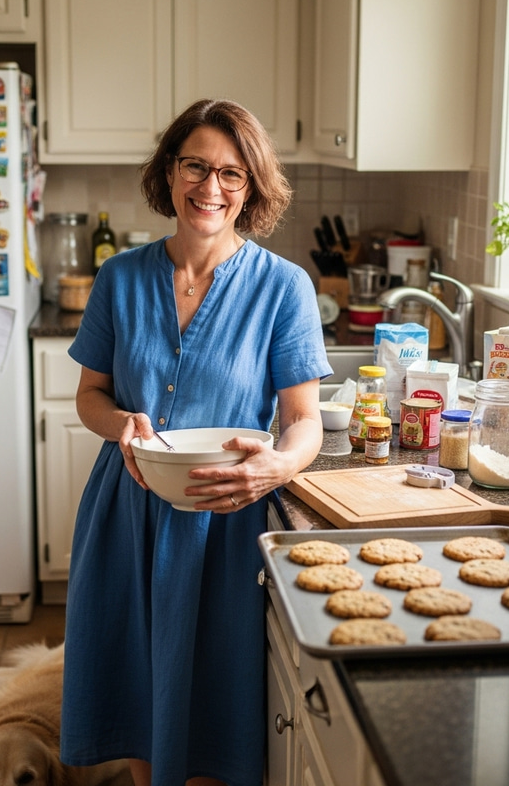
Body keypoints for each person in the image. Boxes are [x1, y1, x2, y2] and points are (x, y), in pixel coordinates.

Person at [60, 98, 332, 786]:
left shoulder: (284, 288)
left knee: (218, 709)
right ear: (170, 172)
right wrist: (122, 422)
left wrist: (273, 470)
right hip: (128, 511)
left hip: (229, 520)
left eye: (232, 174)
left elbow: (305, 421)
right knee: (140, 703)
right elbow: (91, 396)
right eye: (196, 166)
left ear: (252, 188)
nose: (210, 187)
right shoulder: (120, 279)